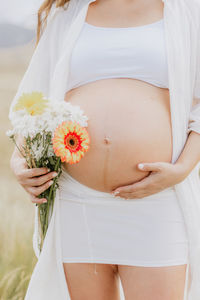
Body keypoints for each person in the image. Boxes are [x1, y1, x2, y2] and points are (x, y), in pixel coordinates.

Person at [9, 0, 200, 299]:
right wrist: (19, 160)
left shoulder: (185, 11)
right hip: (77, 202)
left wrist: (182, 169)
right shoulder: (67, 13)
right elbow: (35, 98)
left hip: (156, 202)